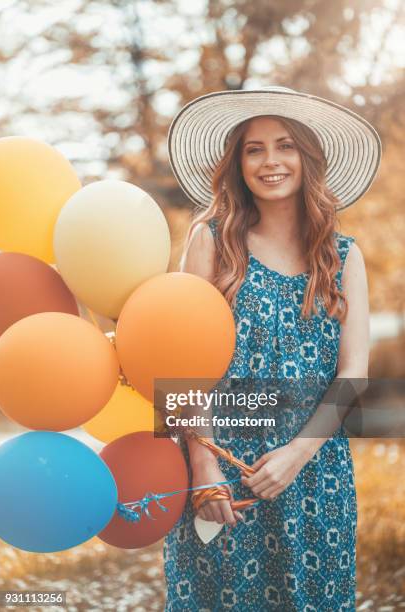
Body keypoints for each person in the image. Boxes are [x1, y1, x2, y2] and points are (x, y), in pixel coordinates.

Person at [163, 86, 381, 611]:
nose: (270, 161)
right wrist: (203, 465)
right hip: (224, 466)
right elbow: (180, 363)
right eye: (253, 149)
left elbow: (354, 374)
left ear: (307, 158)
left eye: (285, 145)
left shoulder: (343, 256)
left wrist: (296, 455)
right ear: (237, 163)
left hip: (315, 472)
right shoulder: (211, 240)